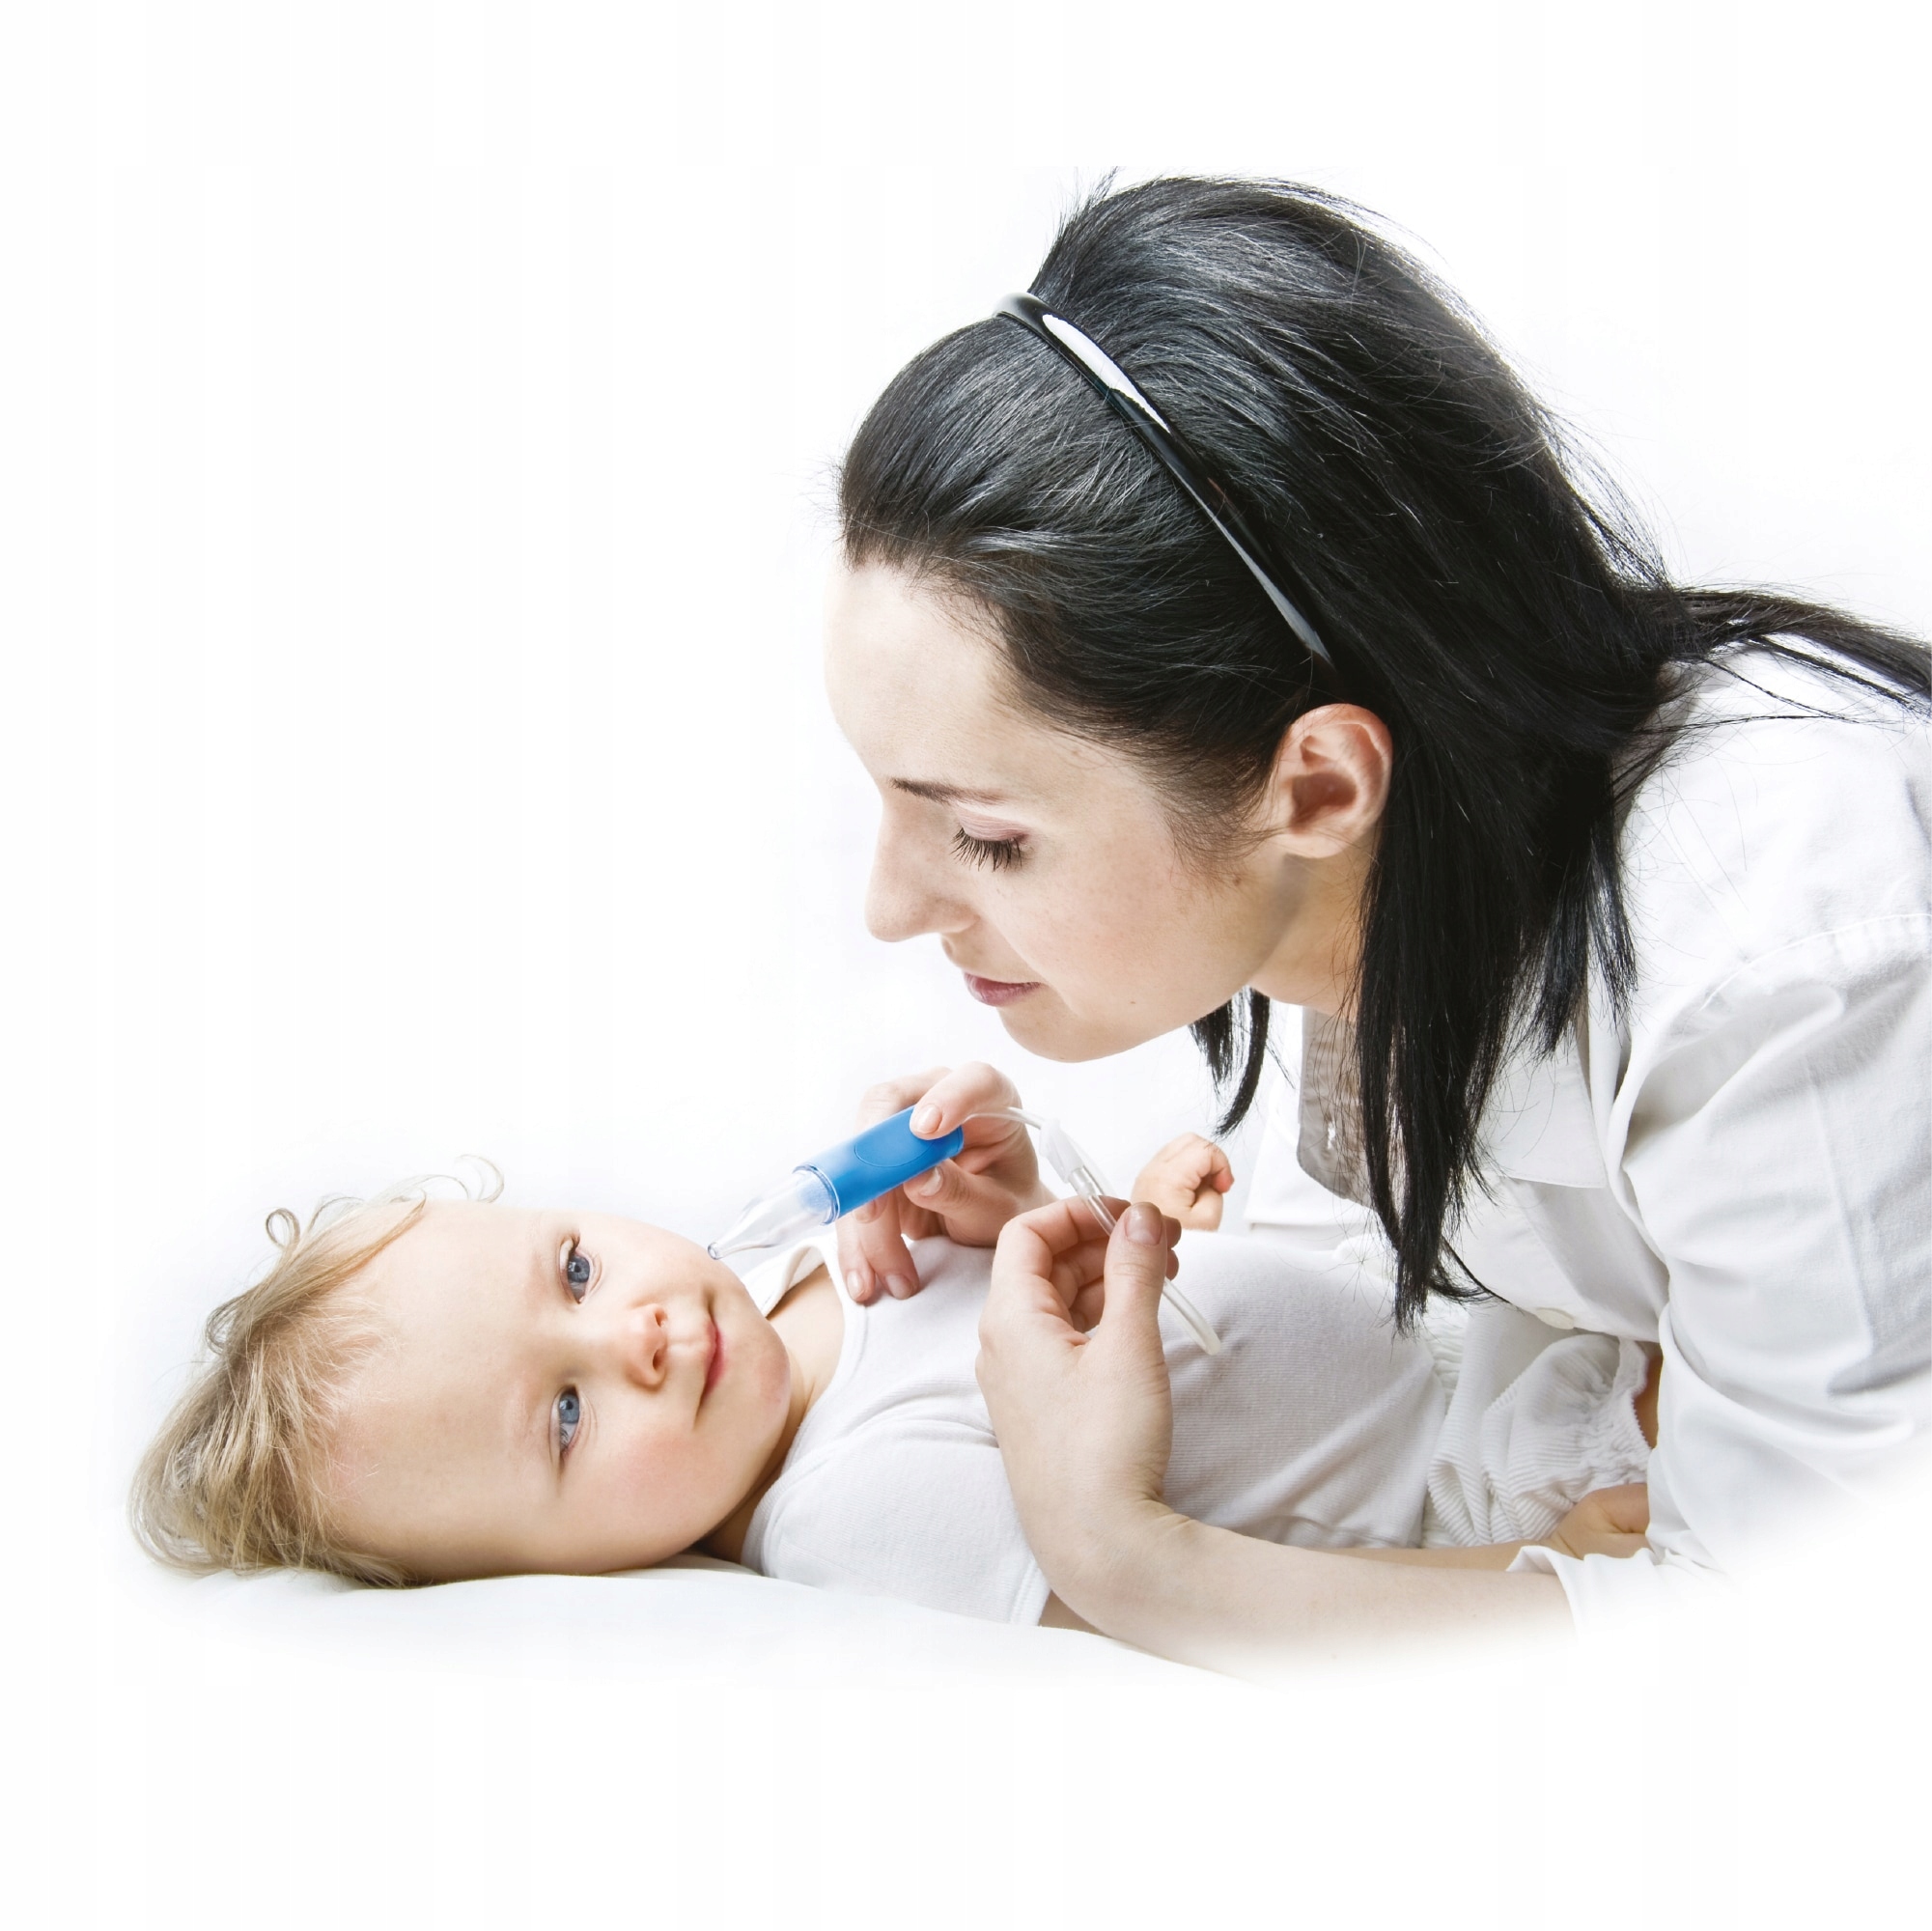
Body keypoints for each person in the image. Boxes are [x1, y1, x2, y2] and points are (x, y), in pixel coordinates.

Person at [825, 175, 1930, 1673]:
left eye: (989, 836)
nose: (890, 907)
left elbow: (1804, 1642)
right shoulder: (1380, 881)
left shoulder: (1783, 951)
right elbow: (1422, 1355)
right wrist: (1066, 1240)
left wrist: (1124, 1559)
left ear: (1320, 783)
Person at [127, 1149, 1650, 1618]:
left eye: (574, 1272)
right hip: (1478, 1479)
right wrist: (1535, 1570)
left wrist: (1051, 1190)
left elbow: (1081, 1315)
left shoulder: (790, 1248)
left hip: (1458, 1307)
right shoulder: (847, 1508)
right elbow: (1177, 1605)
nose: (631, 1335)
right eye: (569, 1417)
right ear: (552, 1574)